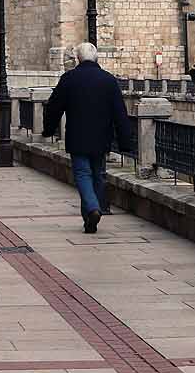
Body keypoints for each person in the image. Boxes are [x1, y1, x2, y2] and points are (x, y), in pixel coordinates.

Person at [43, 42, 135, 234]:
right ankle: (91, 218)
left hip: (77, 136)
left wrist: (48, 129)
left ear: (78, 58)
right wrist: (126, 141)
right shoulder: (108, 80)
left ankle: (93, 209)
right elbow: (120, 113)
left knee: (83, 175)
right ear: (96, 58)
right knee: (98, 174)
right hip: (102, 138)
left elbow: (54, 107)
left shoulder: (69, 79)